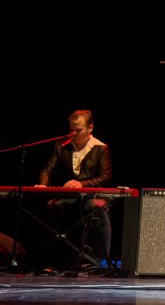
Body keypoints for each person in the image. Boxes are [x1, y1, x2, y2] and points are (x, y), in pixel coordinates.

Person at [35, 109, 113, 269]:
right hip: (69, 195)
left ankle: (99, 262)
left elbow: (105, 177)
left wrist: (82, 184)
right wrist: (43, 183)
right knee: (52, 208)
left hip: (90, 195)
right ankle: (53, 261)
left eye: (78, 130)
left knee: (99, 208)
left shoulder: (101, 148)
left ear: (90, 128)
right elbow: (48, 169)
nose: (73, 134)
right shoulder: (62, 146)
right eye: (71, 130)